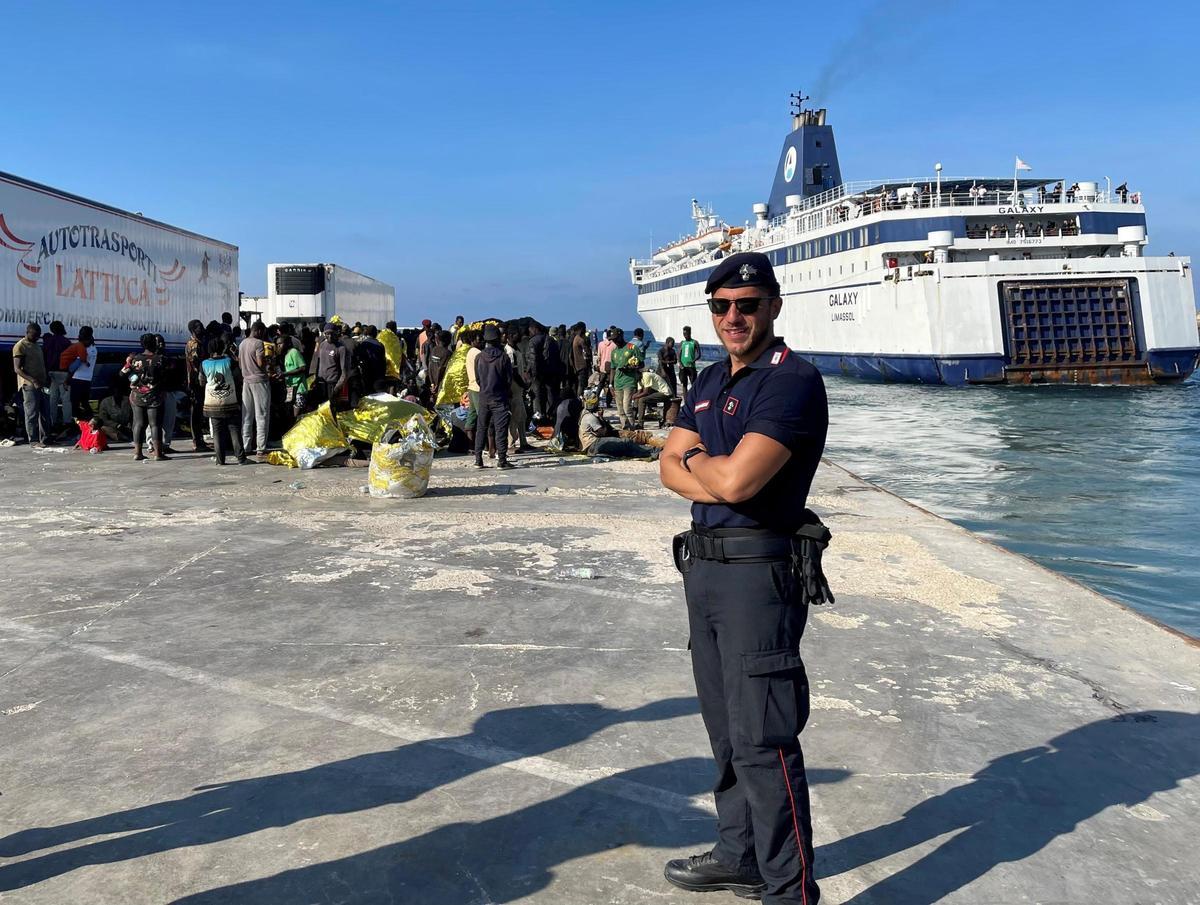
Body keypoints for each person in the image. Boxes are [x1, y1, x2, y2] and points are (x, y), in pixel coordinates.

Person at [659, 251, 829, 904]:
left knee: (765, 738)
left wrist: (697, 453)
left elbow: (733, 479)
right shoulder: (706, 377)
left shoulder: (792, 381)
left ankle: (791, 893)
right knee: (725, 729)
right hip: (703, 568)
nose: (733, 317)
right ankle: (740, 853)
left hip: (760, 573)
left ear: (774, 307)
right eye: (721, 306)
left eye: (747, 305)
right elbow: (666, 468)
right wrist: (703, 459)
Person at [473, 324, 515, 469]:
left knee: (481, 429)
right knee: (501, 430)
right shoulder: (504, 358)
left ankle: (478, 460)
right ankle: (501, 460)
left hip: (484, 398)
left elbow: (478, 379)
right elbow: (509, 380)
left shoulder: (478, 357)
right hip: (499, 399)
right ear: (497, 340)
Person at [201, 337, 248, 465]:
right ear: (223, 347)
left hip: (212, 403)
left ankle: (220, 460)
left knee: (217, 432)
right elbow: (238, 377)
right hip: (230, 401)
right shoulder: (229, 361)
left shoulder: (204, 363)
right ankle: (241, 458)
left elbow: (201, 381)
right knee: (234, 429)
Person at [121, 333, 168, 462]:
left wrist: (130, 367)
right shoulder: (160, 359)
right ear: (154, 343)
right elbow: (167, 375)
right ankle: (158, 454)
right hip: (155, 395)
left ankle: (137, 453)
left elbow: (122, 373)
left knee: (139, 423)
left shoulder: (135, 359)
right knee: (155, 424)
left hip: (137, 395)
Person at [578, 393, 657, 459]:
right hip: (593, 445)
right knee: (626, 443)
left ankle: (651, 446)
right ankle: (654, 451)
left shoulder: (584, 412)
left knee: (627, 437)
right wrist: (602, 418)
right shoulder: (590, 417)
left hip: (592, 445)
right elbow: (603, 433)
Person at [13, 322, 53, 447]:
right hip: (29, 385)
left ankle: (46, 438)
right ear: (28, 332)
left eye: (38, 336)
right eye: (35, 335)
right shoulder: (20, 346)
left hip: (42, 384)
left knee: (46, 412)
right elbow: (17, 369)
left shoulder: (36, 345)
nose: (37, 337)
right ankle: (33, 440)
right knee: (32, 413)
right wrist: (33, 380)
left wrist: (46, 378)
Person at [239, 321, 271, 457]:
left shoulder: (242, 344)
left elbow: (240, 364)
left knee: (247, 415)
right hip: (260, 381)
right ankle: (260, 448)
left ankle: (246, 446)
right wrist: (267, 366)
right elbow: (260, 362)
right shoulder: (258, 343)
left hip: (246, 381)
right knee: (261, 415)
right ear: (258, 331)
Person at [309, 323, 352, 411]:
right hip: (321, 383)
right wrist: (315, 379)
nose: (330, 336)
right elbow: (318, 363)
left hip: (333, 384)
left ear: (337, 333)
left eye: (332, 333)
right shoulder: (322, 345)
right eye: (327, 334)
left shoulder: (341, 348)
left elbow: (345, 372)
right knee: (321, 409)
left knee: (333, 410)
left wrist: (337, 388)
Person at [503, 324, 533, 453]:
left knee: (522, 416)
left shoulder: (516, 349)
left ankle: (523, 441)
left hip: (519, 389)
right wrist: (524, 384)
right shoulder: (509, 352)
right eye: (516, 335)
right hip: (514, 388)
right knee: (515, 417)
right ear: (510, 336)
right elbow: (513, 373)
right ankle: (511, 443)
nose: (519, 337)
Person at [183, 320, 212, 452]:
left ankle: (199, 439)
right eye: (199, 327)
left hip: (198, 380)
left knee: (199, 411)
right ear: (194, 329)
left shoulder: (199, 342)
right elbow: (196, 363)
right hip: (196, 381)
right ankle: (197, 441)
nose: (202, 328)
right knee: (196, 411)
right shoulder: (194, 344)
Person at [153, 333, 184, 455]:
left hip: (169, 392)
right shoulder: (150, 360)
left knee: (169, 419)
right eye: (158, 342)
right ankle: (152, 445)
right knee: (154, 422)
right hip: (155, 394)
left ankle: (166, 444)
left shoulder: (167, 358)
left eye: (162, 342)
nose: (161, 344)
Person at [61, 325, 98, 421]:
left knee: (75, 404)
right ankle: (91, 421)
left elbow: (74, 367)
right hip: (87, 380)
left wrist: (66, 380)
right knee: (85, 403)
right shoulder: (94, 349)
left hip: (78, 379)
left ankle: (78, 423)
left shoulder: (82, 349)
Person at [609, 328, 642, 430]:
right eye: (612, 339)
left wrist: (631, 367)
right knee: (620, 409)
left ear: (621, 336)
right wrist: (610, 384)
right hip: (617, 383)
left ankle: (632, 427)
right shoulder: (614, 351)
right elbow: (613, 369)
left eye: (615, 338)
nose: (614, 341)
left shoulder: (632, 348)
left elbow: (641, 363)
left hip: (629, 381)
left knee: (627, 406)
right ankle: (625, 427)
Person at [42, 321, 73, 432]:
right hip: (64, 373)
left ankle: (52, 421)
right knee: (66, 400)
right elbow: (71, 359)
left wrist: (45, 374)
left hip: (51, 373)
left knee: (52, 399)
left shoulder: (48, 342)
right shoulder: (67, 342)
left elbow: (44, 358)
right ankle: (67, 422)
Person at [96, 374, 132, 442]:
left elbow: (134, 415)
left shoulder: (128, 400)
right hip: (114, 427)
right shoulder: (105, 402)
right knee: (103, 428)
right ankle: (120, 437)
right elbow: (103, 419)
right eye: (115, 389)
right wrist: (117, 425)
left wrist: (130, 424)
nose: (117, 391)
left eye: (119, 389)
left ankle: (131, 435)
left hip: (127, 426)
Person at [426, 330, 452, 399]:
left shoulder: (434, 350)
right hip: (440, 384)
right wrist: (437, 385)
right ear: (448, 341)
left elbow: (430, 366)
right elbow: (441, 369)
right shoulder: (448, 353)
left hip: (432, 382)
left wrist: (432, 384)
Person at [595, 327, 617, 408]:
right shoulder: (614, 345)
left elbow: (599, 357)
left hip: (602, 367)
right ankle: (608, 403)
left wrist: (598, 365)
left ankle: (596, 400)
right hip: (611, 368)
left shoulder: (600, 344)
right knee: (611, 385)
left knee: (600, 385)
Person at [678, 326, 701, 398]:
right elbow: (678, 354)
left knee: (693, 384)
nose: (684, 335)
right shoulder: (682, 343)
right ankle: (686, 401)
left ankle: (694, 399)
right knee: (684, 385)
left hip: (691, 367)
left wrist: (693, 360)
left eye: (686, 333)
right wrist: (680, 363)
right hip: (683, 367)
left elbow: (699, 354)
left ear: (690, 333)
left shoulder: (694, 342)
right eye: (683, 334)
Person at [571, 322, 593, 396]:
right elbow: (588, 351)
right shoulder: (580, 339)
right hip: (582, 365)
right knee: (582, 384)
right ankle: (580, 399)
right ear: (581, 329)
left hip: (577, 365)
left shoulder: (575, 338)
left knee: (580, 383)